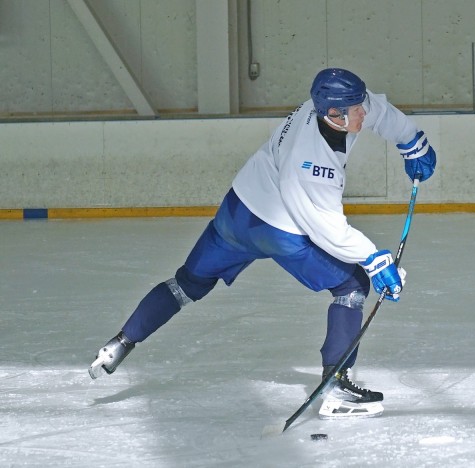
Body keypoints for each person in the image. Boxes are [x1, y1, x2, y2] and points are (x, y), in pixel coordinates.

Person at [88, 68, 436, 419]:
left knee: (187, 284)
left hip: (237, 212)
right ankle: (334, 388)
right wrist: (374, 260)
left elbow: (378, 110)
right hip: (278, 228)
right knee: (353, 285)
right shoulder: (313, 164)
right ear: (333, 115)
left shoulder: (333, 106)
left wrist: (411, 141)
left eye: (360, 105)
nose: (363, 112)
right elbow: (324, 227)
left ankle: (122, 342)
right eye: (355, 109)